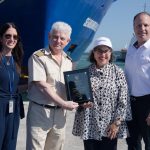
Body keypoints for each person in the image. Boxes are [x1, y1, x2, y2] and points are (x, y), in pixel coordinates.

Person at [72, 37, 132, 150]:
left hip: (110, 126)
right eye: (99, 50)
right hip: (89, 125)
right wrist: (81, 104)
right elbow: (78, 98)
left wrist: (116, 123)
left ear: (110, 53)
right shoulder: (84, 73)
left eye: (106, 51)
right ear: (93, 53)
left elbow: (124, 100)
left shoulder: (118, 72)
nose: (102, 54)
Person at [26, 21, 79, 150]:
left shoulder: (69, 61)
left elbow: (71, 87)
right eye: (55, 37)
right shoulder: (38, 57)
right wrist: (64, 103)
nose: (58, 41)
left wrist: (82, 99)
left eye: (62, 38)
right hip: (40, 112)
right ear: (49, 36)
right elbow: (42, 86)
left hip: (60, 115)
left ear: (68, 40)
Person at [125, 12, 150, 150]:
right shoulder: (131, 49)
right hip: (131, 103)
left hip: (147, 103)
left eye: (146, 25)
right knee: (132, 143)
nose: (142, 29)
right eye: (138, 25)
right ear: (133, 28)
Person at [0, 22, 24, 150]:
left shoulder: (17, 62)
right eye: (8, 36)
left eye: (15, 37)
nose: (12, 39)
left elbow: (14, 87)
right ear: (1, 38)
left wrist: (33, 85)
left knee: (10, 145)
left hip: (13, 108)